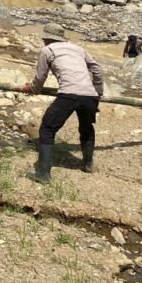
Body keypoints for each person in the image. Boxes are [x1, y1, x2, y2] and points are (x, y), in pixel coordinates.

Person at [22, 31, 103, 182]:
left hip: (68, 95)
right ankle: (88, 165)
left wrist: (33, 89)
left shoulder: (47, 50)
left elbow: (40, 77)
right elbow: (97, 69)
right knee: (86, 128)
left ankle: (43, 174)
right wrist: (98, 92)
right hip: (89, 96)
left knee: (47, 129)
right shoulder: (78, 49)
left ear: (47, 38)